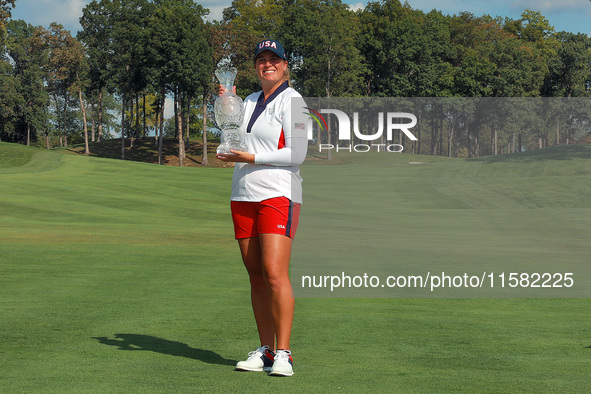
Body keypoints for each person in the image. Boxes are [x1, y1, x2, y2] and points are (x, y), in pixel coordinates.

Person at [216, 39, 308, 377]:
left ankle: (284, 353)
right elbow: (233, 138)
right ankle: (266, 350)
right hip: (243, 193)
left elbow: (296, 154)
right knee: (255, 274)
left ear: (285, 65)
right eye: (261, 60)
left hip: (278, 193)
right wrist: (227, 103)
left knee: (273, 272)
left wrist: (250, 157)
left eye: (274, 59)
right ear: (256, 66)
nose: (267, 64)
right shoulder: (249, 100)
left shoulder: (293, 101)